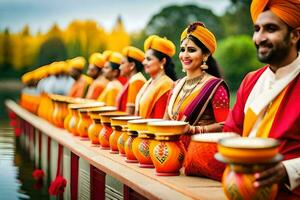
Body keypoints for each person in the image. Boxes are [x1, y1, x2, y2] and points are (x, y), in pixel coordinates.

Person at [224, 0, 300, 198]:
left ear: (295, 35)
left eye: (271, 29)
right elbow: (231, 132)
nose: (259, 38)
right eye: (257, 29)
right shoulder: (251, 80)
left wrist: (288, 170)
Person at [164, 21, 230, 149]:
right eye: (183, 50)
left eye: (192, 50)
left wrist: (194, 130)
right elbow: (165, 122)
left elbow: (225, 125)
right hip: (170, 153)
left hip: (200, 154)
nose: (185, 55)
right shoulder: (176, 85)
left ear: (205, 55)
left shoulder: (215, 87)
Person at [135, 35, 176, 118]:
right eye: (144, 59)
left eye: (149, 59)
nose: (144, 63)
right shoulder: (149, 82)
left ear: (162, 61)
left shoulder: (166, 85)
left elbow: (159, 121)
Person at [117, 46, 146, 114]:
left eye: (122, 63)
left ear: (132, 65)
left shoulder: (136, 81)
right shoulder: (133, 80)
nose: (120, 67)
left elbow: (130, 113)